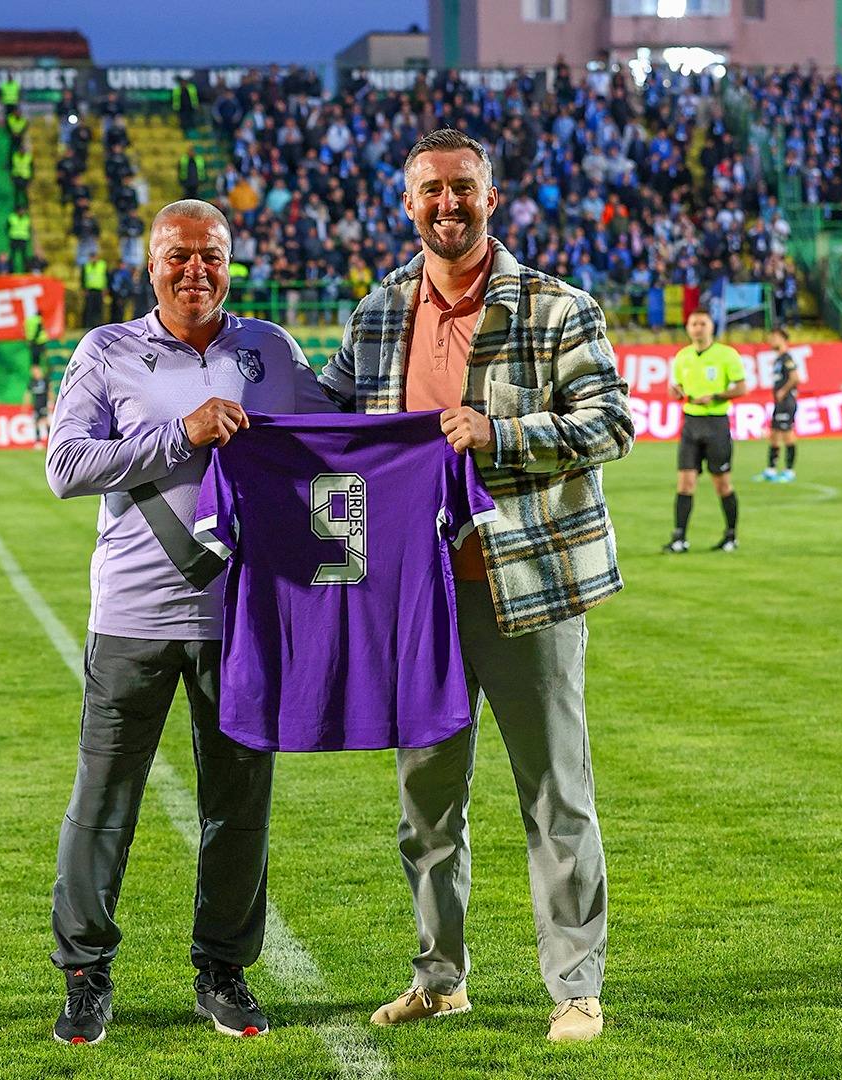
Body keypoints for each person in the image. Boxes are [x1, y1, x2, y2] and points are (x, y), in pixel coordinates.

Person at [319, 128, 634, 1043]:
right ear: (406, 204)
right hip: (415, 596)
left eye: (463, 189)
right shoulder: (380, 311)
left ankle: (575, 988)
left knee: (555, 794)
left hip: (525, 586)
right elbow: (331, 414)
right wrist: (238, 412)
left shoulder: (555, 306)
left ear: (491, 199)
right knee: (426, 804)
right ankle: (439, 976)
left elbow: (610, 422)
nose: (447, 205)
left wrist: (500, 434)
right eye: (431, 192)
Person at [44, 199, 335, 1046]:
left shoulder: (271, 350)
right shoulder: (106, 350)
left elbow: (332, 436)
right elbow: (65, 466)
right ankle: (86, 973)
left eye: (211, 255)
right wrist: (182, 431)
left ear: (231, 262)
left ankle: (223, 970)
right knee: (103, 800)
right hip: (132, 617)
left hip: (243, 619)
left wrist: (427, 436)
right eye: (179, 256)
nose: (195, 270)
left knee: (238, 805)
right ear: (151, 264)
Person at [664, 310, 747, 553]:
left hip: (716, 424)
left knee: (722, 484)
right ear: (688, 328)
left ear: (711, 327)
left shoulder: (726, 354)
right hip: (691, 424)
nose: (698, 328)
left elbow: (741, 387)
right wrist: (675, 392)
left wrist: (716, 396)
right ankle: (679, 538)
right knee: (685, 483)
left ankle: (730, 535)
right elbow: (677, 387)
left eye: (703, 323)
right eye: (694, 323)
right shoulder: (682, 357)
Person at [756, 326, 800, 483]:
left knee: (787, 435)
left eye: (774, 337)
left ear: (783, 339)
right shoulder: (778, 359)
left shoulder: (787, 358)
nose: (771, 340)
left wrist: (783, 390)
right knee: (774, 436)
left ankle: (789, 471)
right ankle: (771, 470)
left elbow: (795, 377)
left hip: (786, 401)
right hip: (779, 402)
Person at [24, 361, 52, 448]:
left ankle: (51, 441)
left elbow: (50, 391)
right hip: (36, 405)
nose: (34, 373)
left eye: (35, 371)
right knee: (36, 422)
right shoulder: (32, 381)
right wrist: (26, 404)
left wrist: (51, 403)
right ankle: (38, 441)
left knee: (46, 421)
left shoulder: (45, 380)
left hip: (44, 404)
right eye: (33, 371)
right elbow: (28, 393)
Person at [81, 255, 107, 328]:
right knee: (89, 308)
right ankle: (88, 325)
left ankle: (98, 324)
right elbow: (82, 278)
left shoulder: (102, 265)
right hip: (90, 290)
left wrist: (105, 288)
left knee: (99, 308)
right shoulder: (86, 266)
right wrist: (83, 289)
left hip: (99, 290)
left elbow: (106, 276)